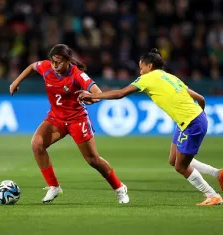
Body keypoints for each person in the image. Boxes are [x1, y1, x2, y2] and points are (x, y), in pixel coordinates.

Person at [78, 48, 223, 206]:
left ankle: (213, 195)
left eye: (141, 68)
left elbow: (120, 93)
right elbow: (200, 98)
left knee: (181, 166)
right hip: (191, 120)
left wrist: (93, 95)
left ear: (150, 66)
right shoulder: (171, 77)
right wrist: (199, 114)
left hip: (190, 123)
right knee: (173, 159)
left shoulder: (148, 78)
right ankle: (218, 173)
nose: (140, 72)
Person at [9, 44, 129, 204]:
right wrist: (16, 82)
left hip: (77, 120)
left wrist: (92, 97)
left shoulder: (77, 75)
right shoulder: (46, 67)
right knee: (37, 144)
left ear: (67, 61)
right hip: (55, 118)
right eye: (53, 62)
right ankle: (53, 186)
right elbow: (32, 66)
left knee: (92, 160)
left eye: (58, 62)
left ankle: (119, 188)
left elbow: (98, 93)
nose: (55, 65)